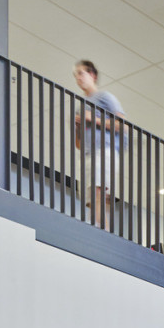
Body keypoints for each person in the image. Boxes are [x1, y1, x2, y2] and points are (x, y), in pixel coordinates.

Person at [73, 60, 124, 228]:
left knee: (98, 192)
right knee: (91, 199)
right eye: (76, 75)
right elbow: (78, 145)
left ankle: (102, 231)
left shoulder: (105, 97)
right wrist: (78, 128)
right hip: (87, 154)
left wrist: (93, 119)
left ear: (92, 75)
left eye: (81, 73)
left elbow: (121, 125)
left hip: (105, 151)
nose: (78, 78)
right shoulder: (80, 106)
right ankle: (100, 229)